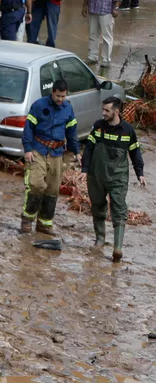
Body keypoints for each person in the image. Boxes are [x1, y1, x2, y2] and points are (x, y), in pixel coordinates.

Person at [82, 96, 147, 262]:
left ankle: (117, 248)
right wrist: (85, 169)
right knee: (97, 205)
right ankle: (100, 239)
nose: (103, 113)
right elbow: (89, 148)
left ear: (116, 111)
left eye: (107, 110)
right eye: (103, 110)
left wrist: (140, 173)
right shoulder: (98, 127)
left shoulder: (128, 131)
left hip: (118, 177)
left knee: (119, 208)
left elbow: (135, 153)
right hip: (96, 174)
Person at [21, 79, 79, 235]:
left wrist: (76, 151)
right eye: (58, 96)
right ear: (52, 92)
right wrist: (27, 149)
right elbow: (28, 129)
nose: (60, 99)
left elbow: (72, 131)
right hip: (38, 150)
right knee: (36, 184)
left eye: (63, 96)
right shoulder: (39, 105)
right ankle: (27, 220)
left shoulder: (68, 108)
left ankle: (44, 224)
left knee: (53, 189)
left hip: (57, 153)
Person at [83, 0, 118, 70]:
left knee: (107, 37)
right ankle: (92, 57)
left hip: (107, 11)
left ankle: (106, 59)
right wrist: (85, 5)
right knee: (92, 34)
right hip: (92, 10)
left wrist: (116, 8)